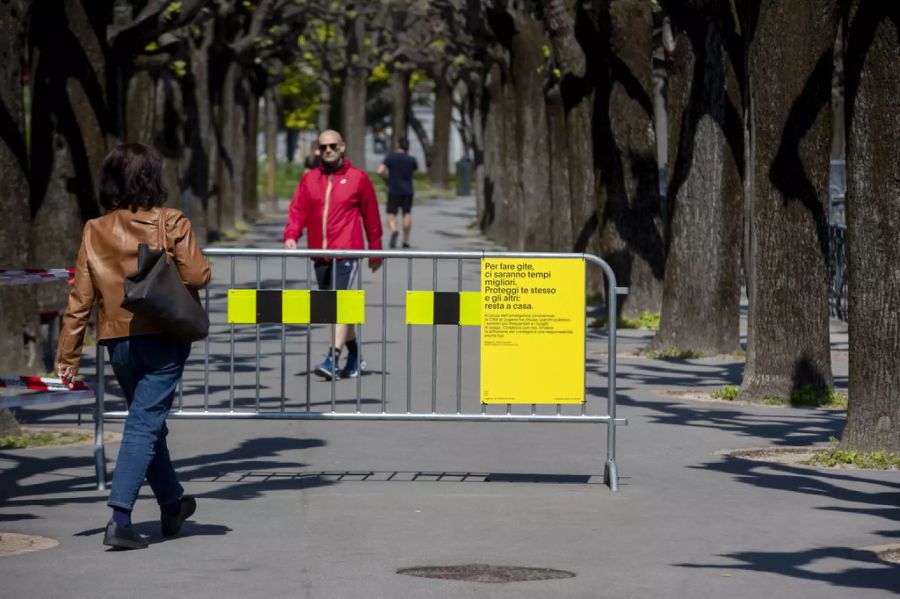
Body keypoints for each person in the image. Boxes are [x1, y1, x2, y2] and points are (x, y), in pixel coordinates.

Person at [56, 143, 211, 550]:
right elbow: (197, 275)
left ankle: (172, 505)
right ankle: (120, 518)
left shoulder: (94, 229)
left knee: (149, 422)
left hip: (116, 340)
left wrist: (68, 355)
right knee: (144, 423)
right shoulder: (172, 220)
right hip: (163, 335)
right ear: (152, 177)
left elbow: (80, 299)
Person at [283, 129, 383, 380]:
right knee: (334, 309)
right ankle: (355, 356)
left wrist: (376, 252)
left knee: (341, 304)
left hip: (347, 251)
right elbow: (298, 210)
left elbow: (372, 217)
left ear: (342, 147)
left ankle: (332, 357)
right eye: (323, 146)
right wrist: (292, 234)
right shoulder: (309, 180)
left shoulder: (358, 178)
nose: (327, 150)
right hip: (320, 253)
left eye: (332, 146)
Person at [377, 136, 418, 248]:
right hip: (408, 190)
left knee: (391, 214)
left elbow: (380, 171)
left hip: (393, 189)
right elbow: (414, 170)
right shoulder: (411, 160)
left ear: (398, 145)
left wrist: (386, 179)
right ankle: (405, 240)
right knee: (406, 213)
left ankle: (394, 230)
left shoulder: (390, 158)